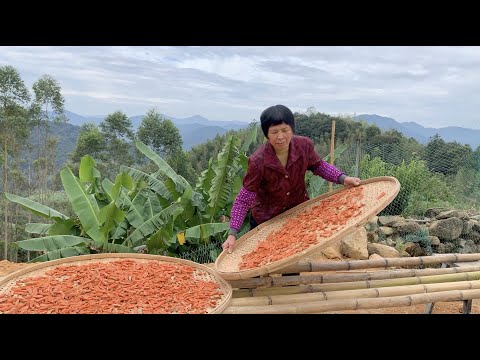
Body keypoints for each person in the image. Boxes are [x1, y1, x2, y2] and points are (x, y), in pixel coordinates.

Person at [222, 104, 361, 254]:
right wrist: (232, 233)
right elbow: (244, 198)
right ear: (266, 134)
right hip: (266, 220)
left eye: (285, 130)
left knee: (292, 257)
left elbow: (318, 166)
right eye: (274, 132)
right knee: (261, 261)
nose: (280, 136)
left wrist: (342, 178)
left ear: (292, 129)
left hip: (297, 215)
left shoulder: (304, 145)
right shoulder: (258, 161)